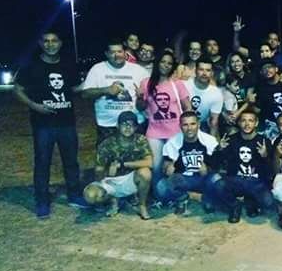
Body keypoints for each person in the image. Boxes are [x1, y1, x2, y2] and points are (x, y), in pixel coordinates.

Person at [14, 32, 88, 218]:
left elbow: (75, 88)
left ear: (60, 43)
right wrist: (34, 106)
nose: (50, 44)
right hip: (43, 125)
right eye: (46, 41)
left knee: (71, 161)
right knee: (42, 163)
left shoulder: (68, 64)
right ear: (40, 43)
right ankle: (42, 201)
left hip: (67, 123)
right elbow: (18, 89)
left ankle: (74, 195)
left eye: (54, 40)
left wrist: (96, 81)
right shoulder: (31, 66)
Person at [82, 111, 153, 219]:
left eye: (131, 125)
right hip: (110, 181)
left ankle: (142, 205)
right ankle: (113, 200)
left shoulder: (140, 140)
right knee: (90, 195)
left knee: (145, 173)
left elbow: (150, 162)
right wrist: (107, 172)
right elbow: (99, 170)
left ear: (136, 127)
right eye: (124, 124)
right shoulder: (107, 144)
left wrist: (123, 164)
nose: (128, 128)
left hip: (130, 180)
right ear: (117, 126)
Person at [136, 50, 191, 182]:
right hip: (155, 133)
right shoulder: (146, 83)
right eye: (163, 62)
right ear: (157, 63)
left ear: (172, 66)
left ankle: (174, 191)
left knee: (175, 167)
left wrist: (188, 128)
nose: (165, 65)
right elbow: (140, 107)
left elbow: (188, 107)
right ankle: (157, 192)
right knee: (156, 168)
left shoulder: (177, 84)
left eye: (169, 63)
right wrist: (140, 98)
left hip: (175, 133)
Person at [82, 40, 149, 146]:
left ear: (125, 53)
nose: (117, 55)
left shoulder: (139, 70)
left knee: (136, 155)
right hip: (107, 125)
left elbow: (151, 95)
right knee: (107, 155)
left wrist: (142, 96)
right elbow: (85, 94)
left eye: (119, 51)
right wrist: (106, 90)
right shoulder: (97, 69)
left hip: (134, 124)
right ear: (106, 54)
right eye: (112, 52)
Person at [210, 111, 274, 223]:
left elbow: (271, 170)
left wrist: (265, 156)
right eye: (243, 120)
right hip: (236, 180)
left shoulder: (264, 141)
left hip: (256, 182)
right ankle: (234, 206)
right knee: (218, 184)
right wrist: (219, 149)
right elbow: (215, 163)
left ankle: (251, 201)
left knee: (268, 202)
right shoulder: (231, 140)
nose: (247, 124)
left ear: (256, 123)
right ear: (239, 123)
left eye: (250, 120)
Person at [156, 111, 220, 216]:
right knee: (161, 186)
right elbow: (166, 166)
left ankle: (203, 197)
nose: (189, 128)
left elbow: (217, 166)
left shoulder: (209, 141)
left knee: (217, 180)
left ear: (198, 124)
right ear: (180, 126)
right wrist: (168, 168)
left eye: (193, 124)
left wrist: (207, 169)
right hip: (184, 179)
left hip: (204, 178)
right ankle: (192, 196)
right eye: (185, 125)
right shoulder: (172, 142)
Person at [183, 57, 236, 139]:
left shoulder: (216, 93)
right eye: (201, 69)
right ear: (195, 71)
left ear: (212, 73)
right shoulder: (183, 86)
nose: (204, 73)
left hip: (202, 125)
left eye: (208, 70)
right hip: (180, 123)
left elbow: (213, 122)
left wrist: (212, 143)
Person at [253, 57, 282, 140]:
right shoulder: (261, 88)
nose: (267, 70)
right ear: (261, 72)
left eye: (269, 67)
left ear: (276, 69)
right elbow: (259, 110)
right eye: (264, 69)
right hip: (273, 126)